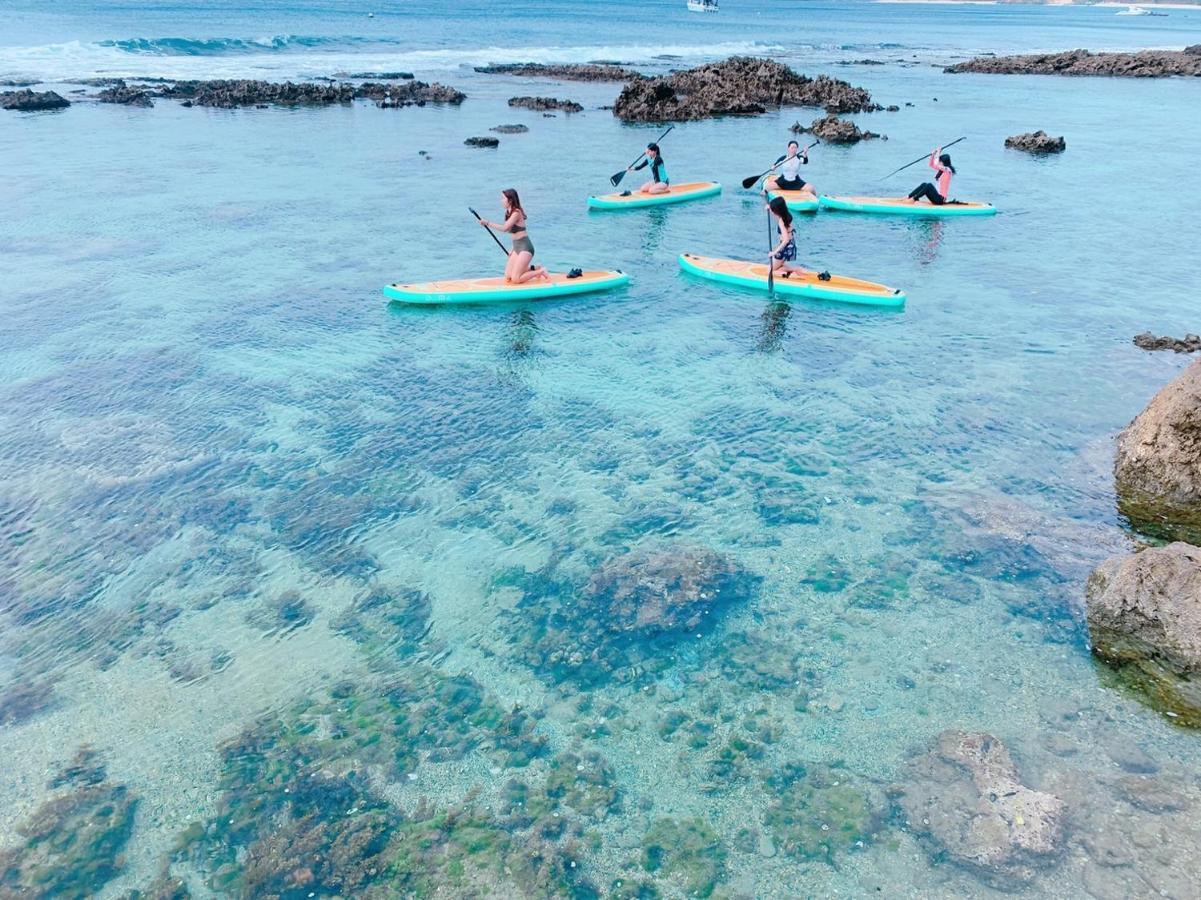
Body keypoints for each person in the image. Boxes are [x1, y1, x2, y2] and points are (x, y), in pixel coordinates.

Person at [477, 188, 547, 283]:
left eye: (503, 198)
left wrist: (487, 223)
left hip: (525, 248)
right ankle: (535, 267)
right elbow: (514, 234)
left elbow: (505, 228)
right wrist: (513, 249)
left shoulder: (516, 213)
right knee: (508, 275)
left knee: (515, 279)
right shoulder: (508, 213)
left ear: (510, 200)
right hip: (516, 247)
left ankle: (540, 271)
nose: (501, 201)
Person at [766, 196, 823, 279]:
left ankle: (795, 269)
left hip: (785, 247)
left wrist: (774, 252)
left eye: (773, 209)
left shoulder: (781, 222)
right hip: (790, 245)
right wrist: (769, 207)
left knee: (769, 270)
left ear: (777, 210)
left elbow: (785, 240)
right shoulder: (787, 215)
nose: (772, 212)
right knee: (778, 265)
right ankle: (792, 270)